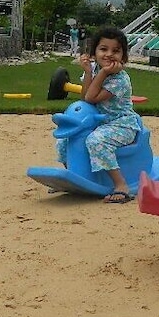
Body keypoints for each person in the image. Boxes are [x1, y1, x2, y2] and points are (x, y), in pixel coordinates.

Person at [57, 26, 142, 202]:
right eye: (103, 49)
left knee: (96, 141)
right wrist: (89, 72)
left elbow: (91, 98)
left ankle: (121, 184)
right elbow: (84, 96)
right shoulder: (95, 68)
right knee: (66, 138)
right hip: (98, 121)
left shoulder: (119, 79)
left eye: (116, 51)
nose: (109, 54)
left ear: (123, 57)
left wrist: (103, 73)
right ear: (94, 52)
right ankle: (74, 175)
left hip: (121, 123)